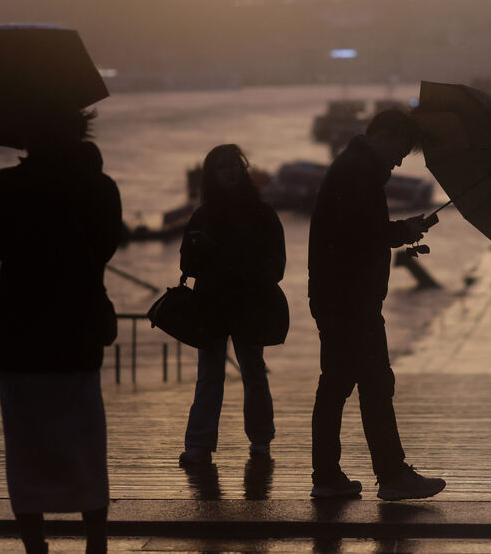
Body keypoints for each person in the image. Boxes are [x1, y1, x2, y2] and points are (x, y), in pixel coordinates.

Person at [0, 108, 121, 554]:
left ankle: (35, 543)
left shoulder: (7, 187)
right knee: (85, 437)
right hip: (78, 327)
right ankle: (96, 539)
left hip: (19, 333)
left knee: (25, 441)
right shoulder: (99, 186)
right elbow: (106, 247)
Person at [308, 109, 446, 501]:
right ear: (384, 135)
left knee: (343, 383)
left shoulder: (354, 168)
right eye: (401, 150)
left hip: (339, 295)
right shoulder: (358, 173)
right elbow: (360, 234)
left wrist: (402, 230)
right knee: (371, 383)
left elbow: (356, 231)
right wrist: (401, 232)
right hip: (350, 298)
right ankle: (389, 474)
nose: (400, 160)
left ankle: (331, 476)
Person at [178, 144, 284, 466]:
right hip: (217, 304)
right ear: (212, 175)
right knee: (219, 374)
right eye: (222, 167)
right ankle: (203, 444)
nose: (230, 172)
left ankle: (255, 440)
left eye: (234, 165)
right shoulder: (208, 215)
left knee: (248, 372)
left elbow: (277, 265)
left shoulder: (259, 213)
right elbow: (187, 263)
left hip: (242, 302)